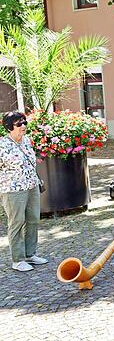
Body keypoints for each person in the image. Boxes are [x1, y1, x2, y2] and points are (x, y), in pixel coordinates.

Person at [0, 111, 47, 272]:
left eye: (24, 122)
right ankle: (18, 259)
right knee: (16, 223)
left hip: (31, 186)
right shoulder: (2, 145)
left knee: (33, 219)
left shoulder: (26, 140)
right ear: (9, 127)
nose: (23, 126)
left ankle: (30, 254)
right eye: (19, 124)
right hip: (13, 190)